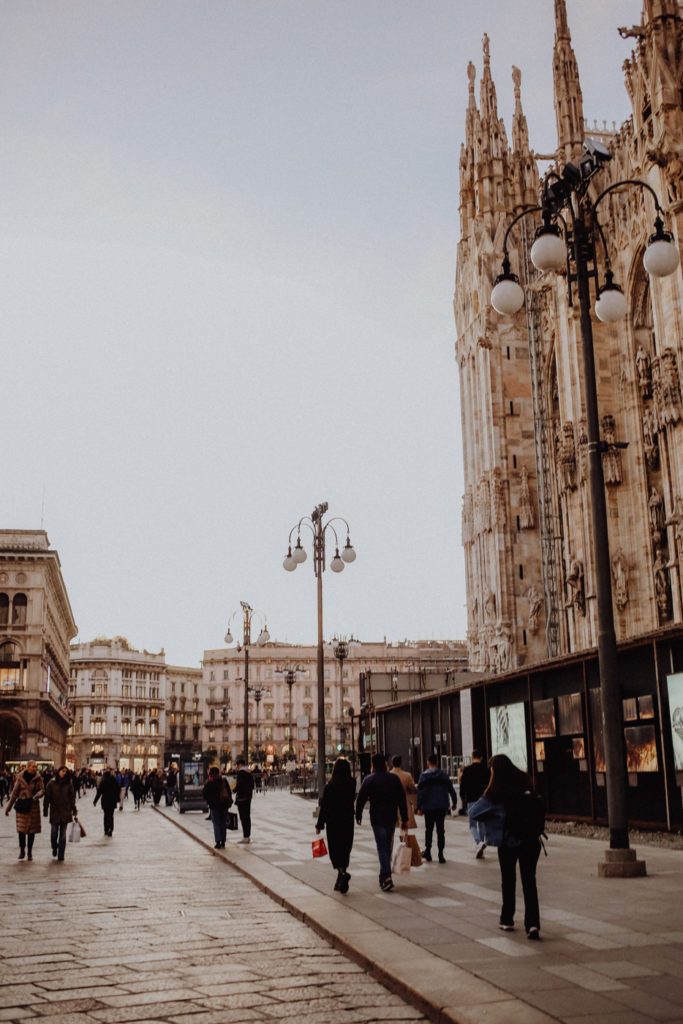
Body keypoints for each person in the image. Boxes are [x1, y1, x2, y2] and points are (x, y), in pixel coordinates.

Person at [468, 754, 544, 940]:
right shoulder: (525, 783)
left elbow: (473, 812)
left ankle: (507, 919)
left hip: (508, 842)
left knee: (508, 881)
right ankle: (533, 924)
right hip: (531, 840)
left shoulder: (495, 793)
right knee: (529, 881)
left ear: (495, 772)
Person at [355, 752, 408, 892]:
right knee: (387, 846)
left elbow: (361, 798)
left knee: (382, 847)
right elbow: (402, 799)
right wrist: (405, 818)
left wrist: (358, 814)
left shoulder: (369, 779)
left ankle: (386, 877)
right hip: (391, 817)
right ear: (385, 764)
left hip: (377, 818)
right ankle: (384, 875)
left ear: (373, 765)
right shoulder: (393, 779)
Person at [316, 757, 356, 893]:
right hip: (347, 821)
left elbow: (325, 807)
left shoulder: (330, 786)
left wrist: (319, 825)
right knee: (345, 849)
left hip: (333, 823)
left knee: (335, 850)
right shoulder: (352, 784)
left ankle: (342, 874)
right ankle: (341, 875)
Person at [416, 755, 458, 863]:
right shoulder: (443, 775)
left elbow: (420, 792)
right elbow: (451, 790)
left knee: (428, 829)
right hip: (441, 806)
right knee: (440, 830)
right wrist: (454, 802)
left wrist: (419, 807)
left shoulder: (424, 776)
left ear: (427, 762)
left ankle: (428, 852)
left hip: (428, 807)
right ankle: (440, 854)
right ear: (438, 763)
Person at [5, 760, 44, 860]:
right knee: (21, 831)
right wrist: (8, 808)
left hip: (33, 807)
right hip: (22, 806)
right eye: (33, 767)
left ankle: (30, 852)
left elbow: (42, 790)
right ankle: (22, 850)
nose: (35, 768)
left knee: (32, 831)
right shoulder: (20, 778)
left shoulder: (38, 778)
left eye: (36, 767)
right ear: (27, 767)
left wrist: (34, 797)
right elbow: (14, 793)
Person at [459, 749, 492, 857]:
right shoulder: (486, 770)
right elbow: (489, 785)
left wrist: (462, 796)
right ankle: (480, 848)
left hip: (471, 799)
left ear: (472, 757)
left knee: (472, 825)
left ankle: (479, 842)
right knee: (481, 823)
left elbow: (462, 785)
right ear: (481, 758)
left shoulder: (467, 770)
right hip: (483, 799)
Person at [43, 765, 77, 861]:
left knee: (63, 835)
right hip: (55, 811)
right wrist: (45, 810)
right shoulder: (51, 783)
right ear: (58, 771)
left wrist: (74, 810)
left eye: (66, 771)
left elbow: (72, 798)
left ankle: (61, 855)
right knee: (54, 833)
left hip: (66, 811)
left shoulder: (69, 784)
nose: (64, 773)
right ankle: (54, 847)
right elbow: (47, 798)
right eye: (63, 771)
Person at [202, 766, 233, 849]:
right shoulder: (223, 781)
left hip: (214, 806)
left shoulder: (209, 783)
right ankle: (223, 841)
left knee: (216, 823)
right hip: (224, 805)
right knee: (223, 823)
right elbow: (229, 792)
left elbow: (204, 793)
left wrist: (209, 801)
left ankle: (218, 842)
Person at [93, 767, 122, 836]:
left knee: (106, 815)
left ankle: (106, 829)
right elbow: (118, 790)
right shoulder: (114, 781)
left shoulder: (103, 782)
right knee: (111, 815)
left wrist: (95, 801)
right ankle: (111, 829)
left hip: (105, 801)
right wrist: (117, 798)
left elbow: (99, 792)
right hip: (112, 801)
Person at [234, 759, 254, 844]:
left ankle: (245, 837)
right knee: (247, 817)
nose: (237, 768)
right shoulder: (249, 773)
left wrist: (234, 790)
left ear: (239, 765)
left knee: (243, 818)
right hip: (248, 798)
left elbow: (239, 785)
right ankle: (247, 836)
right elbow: (252, 785)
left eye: (237, 766)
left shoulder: (241, 773)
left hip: (242, 798)